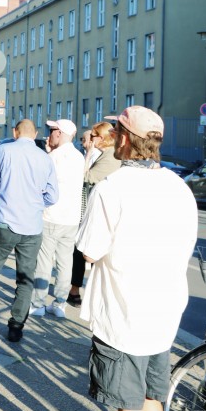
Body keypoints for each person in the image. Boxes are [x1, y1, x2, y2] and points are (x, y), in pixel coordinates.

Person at [77, 106, 198, 411]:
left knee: (128, 403)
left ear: (124, 139)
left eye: (116, 131)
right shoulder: (179, 187)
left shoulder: (111, 188)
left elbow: (90, 250)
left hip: (123, 312)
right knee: (151, 396)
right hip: (165, 309)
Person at [0, 119, 58, 342]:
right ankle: (16, 326)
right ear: (35, 134)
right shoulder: (45, 158)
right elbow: (53, 196)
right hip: (32, 227)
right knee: (25, 278)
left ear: (15, 132)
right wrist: (36, 204)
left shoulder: (4, 150)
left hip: (5, 223)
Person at [30, 119, 84, 318]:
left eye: (52, 130)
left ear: (59, 133)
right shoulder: (79, 157)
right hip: (71, 218)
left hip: (51, 215)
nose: (49, 133)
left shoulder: (53, 157)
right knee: (65, 263)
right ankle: (60, 304)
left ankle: (38, 303)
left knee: (44, 262)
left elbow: (40, 184)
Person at [69, 121, 121, 307]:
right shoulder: (107, 154)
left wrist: (88, 154)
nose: (90, 139)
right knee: (85, 251)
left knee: (85, 250)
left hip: (99, 210)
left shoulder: (109, 156)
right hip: (97, 208)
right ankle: (78, 290)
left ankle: (78, 291)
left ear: (102, 137)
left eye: (93, 135)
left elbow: (84, 177)